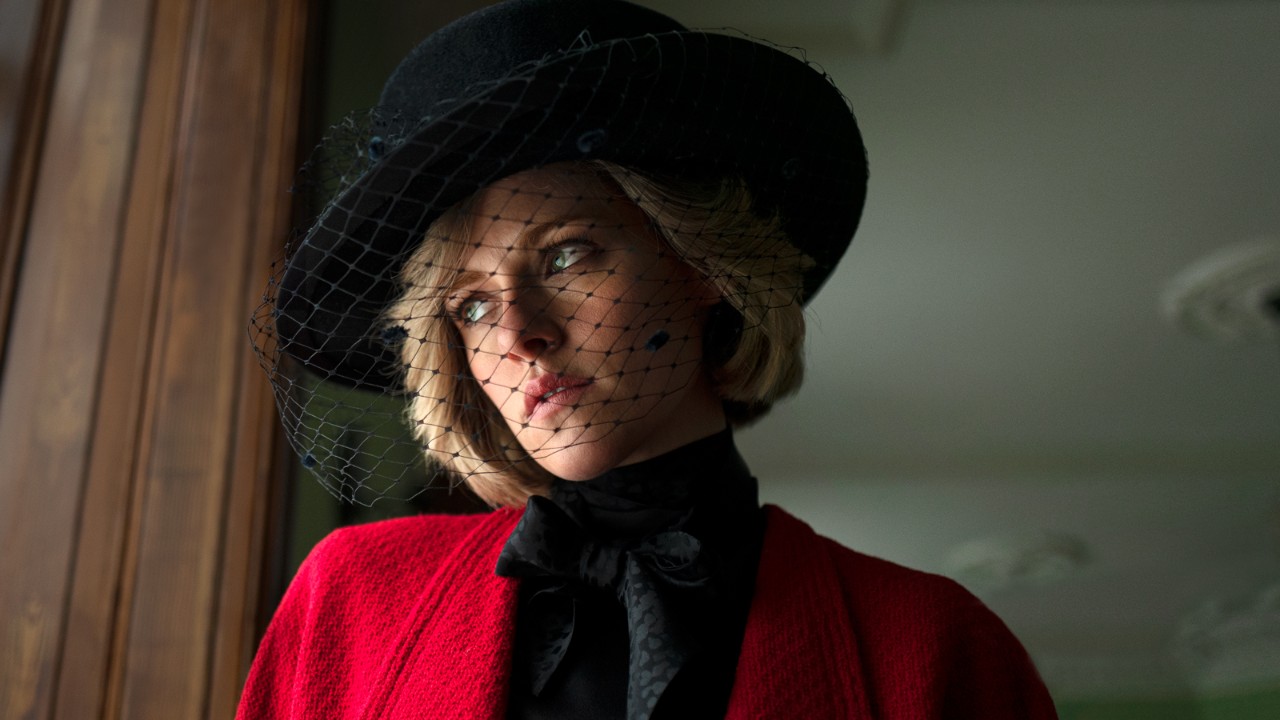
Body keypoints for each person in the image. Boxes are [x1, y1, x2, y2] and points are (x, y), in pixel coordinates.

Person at [239, 0, 1060, 718]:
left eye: (566, 255)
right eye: (473, 305)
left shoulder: (934, 644)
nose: (520, 331)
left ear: (700, 261)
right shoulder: (349, 605)